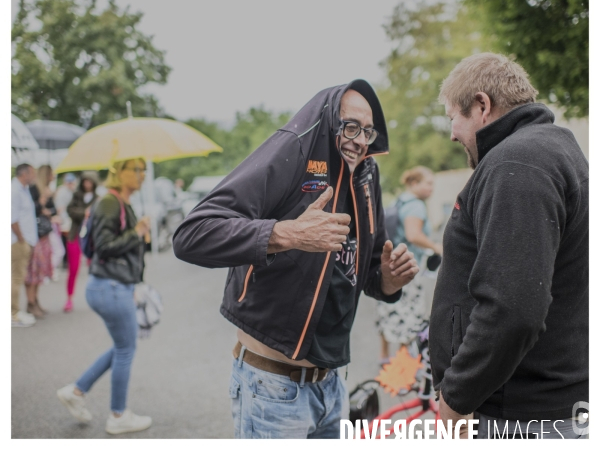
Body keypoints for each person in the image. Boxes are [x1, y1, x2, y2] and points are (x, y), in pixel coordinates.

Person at [173, 80, 419, 439]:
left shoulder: (367, 175)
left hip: (332, 386)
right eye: (350, 126)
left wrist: (388, 281)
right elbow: (191, 234)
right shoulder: (294, 151)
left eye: (368, 131)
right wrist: (287, 234)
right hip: (272, 388)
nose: (360, 140)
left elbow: (366, 272)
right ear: (329, 120)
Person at [429, 53, 588, 439]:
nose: (452, 133)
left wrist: (455, 400)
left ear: (482, 105)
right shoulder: (553, 151)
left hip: (522, 417)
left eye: (454, 117)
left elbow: (513, 307)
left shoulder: (516, 164)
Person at [57, 158, 152, 435]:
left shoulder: (120, 203)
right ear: (118, 173)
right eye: (135, 169)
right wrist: (137, 232)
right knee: (126, 348)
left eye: (143, 170)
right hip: (110, 286)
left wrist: (138, 235)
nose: (142, 175)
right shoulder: (110, 202)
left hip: (112, 285)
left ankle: (76, 391)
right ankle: (118, 415)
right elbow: (105, 247)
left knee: (123, 345)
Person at [376, 166, 442, 365]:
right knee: (408, 314)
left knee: (389, 309)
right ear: (414, 184)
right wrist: (436, 246)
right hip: (407, 267)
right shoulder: (415, 206)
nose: (431, 188)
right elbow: (413, 235)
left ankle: (385, 358)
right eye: (428, 183)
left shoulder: (399, 201)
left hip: (391, 264)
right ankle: (403, 365)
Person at [25, 164, 58, 318]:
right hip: (35, 235)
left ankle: (35, 300)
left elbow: (54, 210)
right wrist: (42, 201)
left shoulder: (47, 190)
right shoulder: (33, 190)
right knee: (33, 270)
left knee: (40, 271)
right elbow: (31, 210)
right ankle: (30, 303)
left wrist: (49, 200)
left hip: (45, 235)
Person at [63, 172, 98, 312]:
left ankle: (94, 298)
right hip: (76, 234)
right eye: (85, 181)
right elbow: (70, 210)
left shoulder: (98, 198)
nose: (87, 184)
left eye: (89, 181)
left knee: (94, 268)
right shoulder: (77, 196)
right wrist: (84, 212)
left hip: (91, 237)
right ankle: (69, 298)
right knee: (73, 268)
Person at [11, 164, 38, 328]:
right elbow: (11, 218)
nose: (34, 176)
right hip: (17, 241)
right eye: (32, 173)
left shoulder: (23, 189)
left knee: (17, 277)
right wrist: (21, 239)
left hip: (24, 240)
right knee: (15, 278)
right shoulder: (14, 190)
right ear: (24, 174)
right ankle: (12, 313)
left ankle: (13, 312)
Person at [54, 173, 78, 270]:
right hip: (64, 220)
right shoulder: (62, 191)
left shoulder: (71, 191)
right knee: (64, 241)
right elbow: (60, 207)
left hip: (69, 219)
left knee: (69, 240)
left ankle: (68, 260)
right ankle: (65, 261)